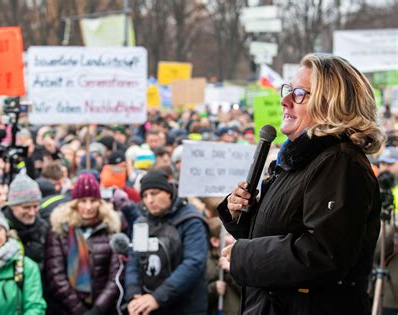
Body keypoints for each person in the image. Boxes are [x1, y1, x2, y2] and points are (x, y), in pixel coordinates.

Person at [218, 53, 385, 314]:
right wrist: (241, 214)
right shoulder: (300, 161)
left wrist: (245, 255)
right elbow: (278, 233)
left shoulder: (339, 162)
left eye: (299, 94)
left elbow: (323, 254)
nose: (284, 101)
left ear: (332, 104)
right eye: (288, 90)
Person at [125, 170, 209, 315]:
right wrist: (133, 294)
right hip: (148, 304)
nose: (149, 200)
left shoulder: (191, 220)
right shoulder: (141, 223)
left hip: (186, 306)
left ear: (168, 192)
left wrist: (158, 297)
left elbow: (194, 263)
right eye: (145, 195)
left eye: (155, 193)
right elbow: (134, 260)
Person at [45, 173, 122, 315]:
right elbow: (56, 276)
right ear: (75, 203)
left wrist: (98, 309)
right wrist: (79, 310)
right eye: (83, 201)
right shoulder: (60, 230)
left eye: (93, 200)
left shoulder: (110, 229)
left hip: (103, 309)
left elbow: (115, 275)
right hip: (67, 309)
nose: (88, 207)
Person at [2, 173, 48, 270]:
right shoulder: (0, 230)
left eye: (35, 206)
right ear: (11, 206)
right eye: (26, 207)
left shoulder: (44, 228)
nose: (31, 213)